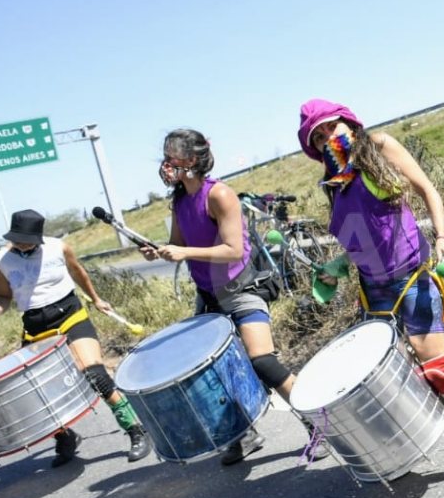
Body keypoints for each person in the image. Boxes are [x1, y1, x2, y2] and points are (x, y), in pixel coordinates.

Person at [298, 99, 444, 487]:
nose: (326, 137)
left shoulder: (379, 147)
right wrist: (337, 266)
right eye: (317, 136)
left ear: (347, 121)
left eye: (329, 127)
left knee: (439, 368)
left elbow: (427, 189)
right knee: (382, 374)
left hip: (410, 278)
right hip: (373, 290)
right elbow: (362, 234)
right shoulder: (334, 182)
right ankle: (400, 447)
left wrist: (443, 237)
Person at [140, 129, 329, 466]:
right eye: (165, 158)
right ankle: (243, 434)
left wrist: (183, 251)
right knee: (212, 371)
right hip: (209, 294)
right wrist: (160, 251)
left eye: (173, 159)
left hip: (243, 289)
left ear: (193, 161)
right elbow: (178, 241)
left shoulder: (220, 195)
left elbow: (233, 250)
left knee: (262, 361)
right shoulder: (180, 199)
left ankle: (318, 423)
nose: (166, 165)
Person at [0, 209, 152, 467]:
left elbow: (78, 272)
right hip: (35, 327)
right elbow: (4, 296)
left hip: (70, 315)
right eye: (19, 240)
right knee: (41, 391)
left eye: (29, 241)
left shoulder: (58, 247)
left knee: (93, 373)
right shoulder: (1, 259)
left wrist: (96, 299)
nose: (24, 245)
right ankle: (65, 436)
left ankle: (136, 430)